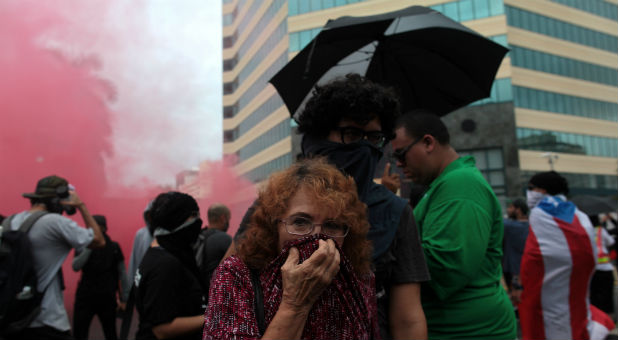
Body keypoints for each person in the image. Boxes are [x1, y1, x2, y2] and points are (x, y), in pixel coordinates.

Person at [223, 74, 430, 340]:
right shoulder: (276, 202)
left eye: (374, 137)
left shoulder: (396, 212)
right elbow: (229, 285)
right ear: (320, 137)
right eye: (353, 134)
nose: (365, 147)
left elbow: (408, 318)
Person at [203, 158, 378, 340]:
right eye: (300, 222)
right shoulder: (236, 275)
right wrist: (295, 304)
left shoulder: (359, 278)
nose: (317, 237)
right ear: (273, 226)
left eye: (332, 225)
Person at [391, 111, 516, 339]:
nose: (399, 164)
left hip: (467, 330)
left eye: (401, 154)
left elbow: (445, 267)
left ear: (428, 142)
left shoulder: (460, 184)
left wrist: (380, 244)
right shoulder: (446, 184)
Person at [4, 175, 105, 339]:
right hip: (47, 321)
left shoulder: (10, 221)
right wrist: (80, 205)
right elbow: (98, 241)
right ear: (58, 200)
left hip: (13, 319)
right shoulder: (55, 222)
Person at [519, 171, 614, 340]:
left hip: (547, 299)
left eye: (531, 188)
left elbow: (534, 258)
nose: (529, 193)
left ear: (542, 190)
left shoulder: (541, 212)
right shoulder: (580, 216)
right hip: (576, 295)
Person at [134, 192, 205, 340]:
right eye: (193, 216)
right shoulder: (165, 264)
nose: (198, 221)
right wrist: (214, 316)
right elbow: (162, 328)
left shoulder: (159, 251)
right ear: (176, 219)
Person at [72, 214, 129, 340]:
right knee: (79, 333)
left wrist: (125, 299)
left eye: (94, 227)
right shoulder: (83, 244)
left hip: (107, 297)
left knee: (110, 333)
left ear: (103, 228)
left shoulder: (113, 247)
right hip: (85, 297)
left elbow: (122, 274)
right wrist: (90, 246)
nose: (89, 229)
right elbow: (76, 266)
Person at [194, 203, 232, 295]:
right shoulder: (225, 239)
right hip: (218, 295)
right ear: (223, 218)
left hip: (200, 293)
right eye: (229, 219)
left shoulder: (198, 236)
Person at [502, 198, 529, 306]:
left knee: (516, 299)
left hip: (514, 270)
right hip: (525, 268)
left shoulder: (510, 226)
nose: (508, 210)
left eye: (510, 207)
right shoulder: (531, 225)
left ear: (518, 210)